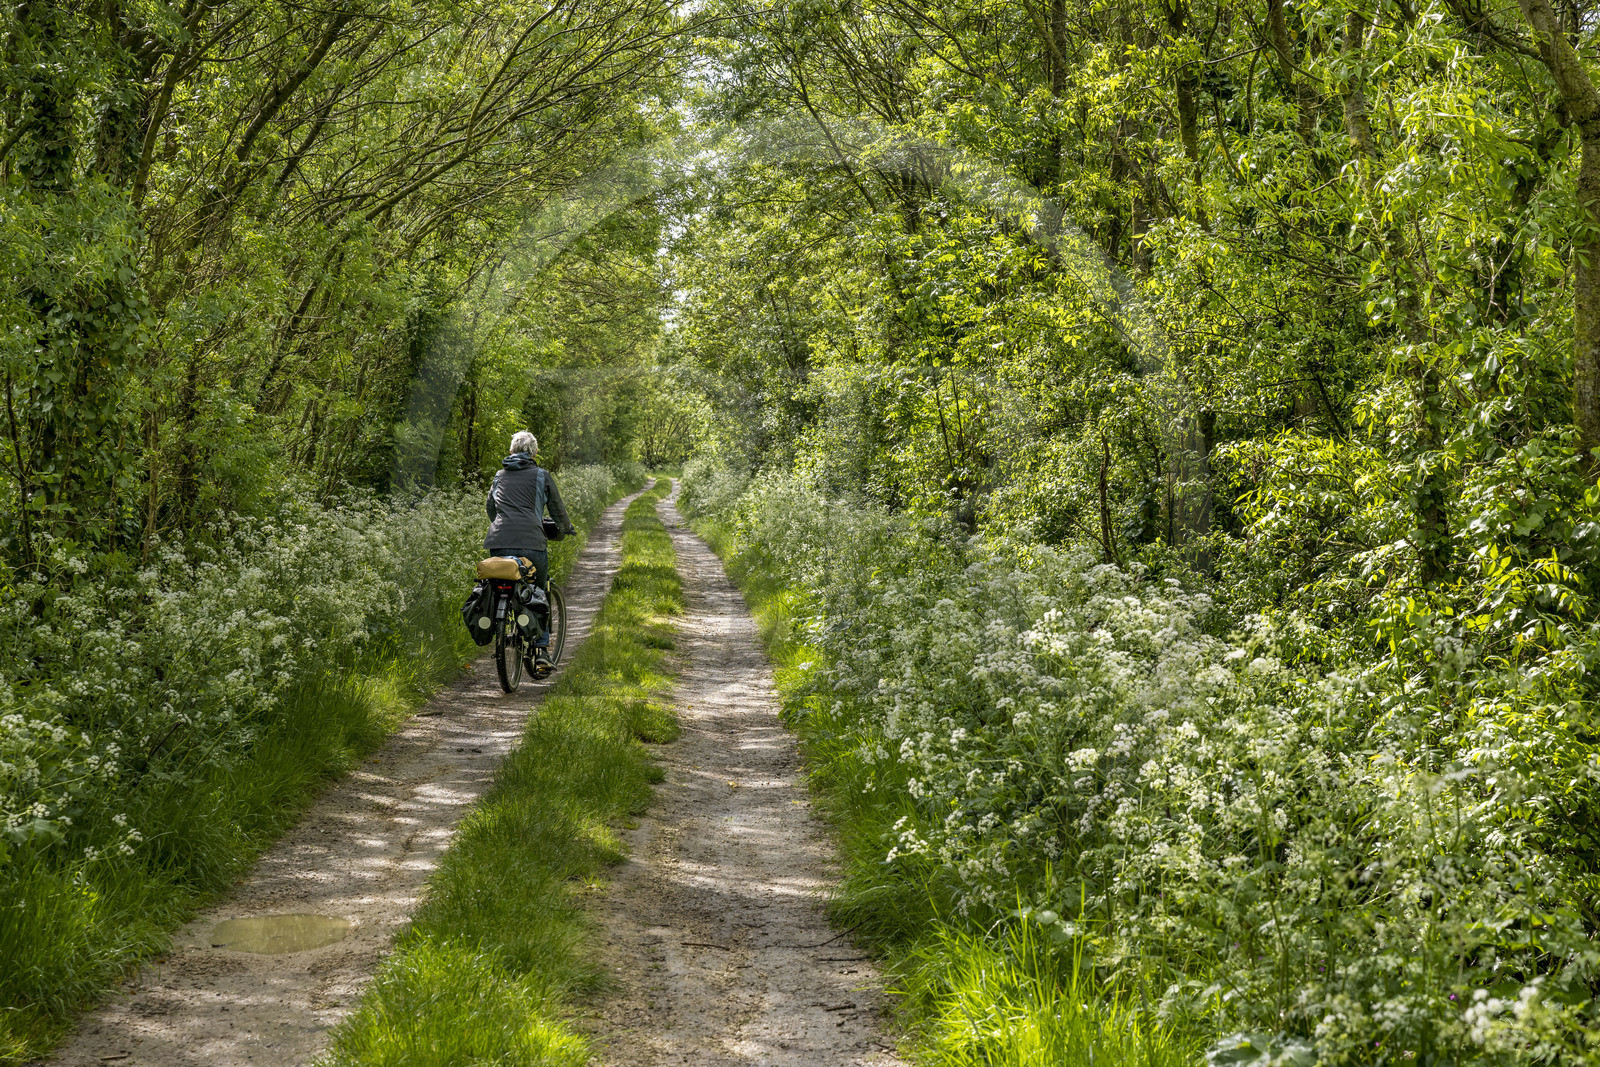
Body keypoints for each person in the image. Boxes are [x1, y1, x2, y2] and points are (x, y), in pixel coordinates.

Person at [484, 431, 574, 676]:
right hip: (532, 544)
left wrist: (505, 524)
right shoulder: (541, 475)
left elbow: (491, 509)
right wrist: (566, 529)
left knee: (499, 581)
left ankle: (500, 624)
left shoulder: (499, 475)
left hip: (498, 542)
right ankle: (542, 649)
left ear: (512, 452)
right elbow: (557, 508)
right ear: (534, 453)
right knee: (539, 589)